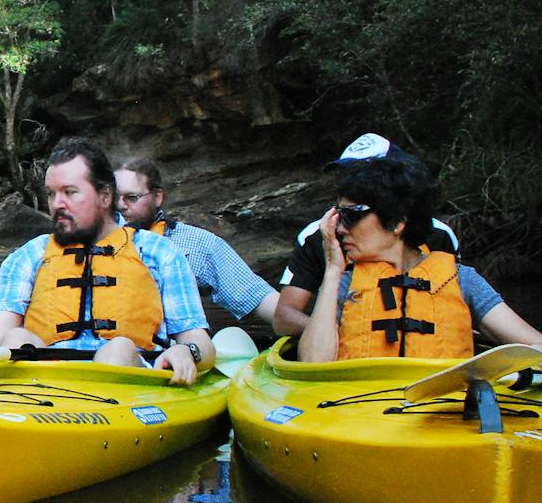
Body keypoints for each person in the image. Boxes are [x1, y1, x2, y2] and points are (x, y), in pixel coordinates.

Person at [0, 138, 215, 384]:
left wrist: (187, 352)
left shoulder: (159, 252)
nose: (57, 204)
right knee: (16, 337)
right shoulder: (29, 256)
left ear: (105, 195)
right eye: (51, 194)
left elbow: (199, 341)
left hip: (130, 376)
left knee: (118, 349)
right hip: (46, 380)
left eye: (70, 192)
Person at [296, 157, 542, 361]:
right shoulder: (343, 285)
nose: (339, 229)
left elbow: (534, 345)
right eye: (338, 217)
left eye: (350, 215)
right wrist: (332, 270)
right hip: (362, 410)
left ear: (395, 222)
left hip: (442, 411)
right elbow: (312, 363)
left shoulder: (462, 281)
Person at [275, 134, 460, 337]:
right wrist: (348, 332)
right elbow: (285, 317)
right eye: (345, 173)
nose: (353, 181)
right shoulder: (317, 236)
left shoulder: (438, 235)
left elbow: (455, 303)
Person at [114, 158, 276, 327]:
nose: (120, 205)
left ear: (157, 197)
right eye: (115, 197)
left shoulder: (198, 243)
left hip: (173, 348)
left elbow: (257, 297)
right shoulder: (92, 241)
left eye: (131, 197)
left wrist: (298, 322)